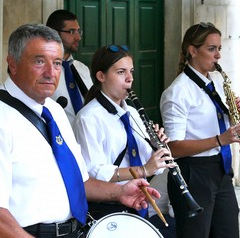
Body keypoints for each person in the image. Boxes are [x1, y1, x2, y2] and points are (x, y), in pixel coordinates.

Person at [0, 24, 161, 238]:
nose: (50, 72)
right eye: (39, 61)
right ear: (13, 63)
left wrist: (120, 192)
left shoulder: (55, 111)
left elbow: (80, 181)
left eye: (57, 63)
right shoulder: (3, 118)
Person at [72, 45, 176, 225]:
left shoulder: (133, 114)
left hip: (137, 201)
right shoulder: (88, 118)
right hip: (105, 208)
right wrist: (143, 170)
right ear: (101, 76)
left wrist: (157, 149)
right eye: (121, 72)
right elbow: (93, 172)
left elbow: (152, 166)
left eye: (131, 71)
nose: (130, 79)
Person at [160, 22, 240, 238]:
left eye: (219, 49)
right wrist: (219, 140)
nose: (218, 56)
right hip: (194, 173)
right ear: (193, 51)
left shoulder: (212, 82)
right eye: (211, 49)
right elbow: (173, 148)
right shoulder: (177, 92)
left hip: (221, 170)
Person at [46, 9, 93, 126]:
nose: (78, 37)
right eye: (72, 31)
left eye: (78, 31)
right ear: (54, 33)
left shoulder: (83, 69)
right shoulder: (43, 71)